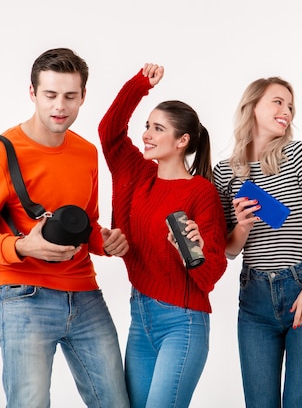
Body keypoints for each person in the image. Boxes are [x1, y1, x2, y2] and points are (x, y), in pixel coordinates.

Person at [0, 48, 130, 408]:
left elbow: (87, 223)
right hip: (25, 298)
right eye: (50, 95)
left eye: (70, 96)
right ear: (32, 93)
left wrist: (106, 241)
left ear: (83, 95)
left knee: (115, 402)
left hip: (86, 295)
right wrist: (22, 247)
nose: (60, 106)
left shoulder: (85, 152)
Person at [98, 63, 228, 408]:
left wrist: (195, 250)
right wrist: (138, 86)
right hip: (140, 317)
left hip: (182, 321)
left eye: (158, 129)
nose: (147, 135)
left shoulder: (201, 193)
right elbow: (109, 132)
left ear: (182, 141)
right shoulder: (138, 174)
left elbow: (212, 273)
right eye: (147, 127)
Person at [213, 77, 302, 408]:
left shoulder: (298, 154)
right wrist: (242, 226)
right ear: (252, 106)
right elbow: (227, 250)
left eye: (289, 105)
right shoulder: (224, 172)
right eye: (277, 102)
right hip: (254, 299)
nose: (286, 110)